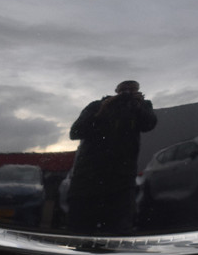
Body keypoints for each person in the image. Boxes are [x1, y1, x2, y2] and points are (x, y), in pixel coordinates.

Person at [67, 80, 157, 233]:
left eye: (132, 89)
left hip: (122, 181)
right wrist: (101, 112)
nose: (127, 93)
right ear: (116, 90)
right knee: (80, 229)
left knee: (118, 231)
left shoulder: (140, 107)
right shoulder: (97, 105)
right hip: (87, 179)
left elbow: (149, 124)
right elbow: (75, 132)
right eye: (123, 89)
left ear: (138, 91)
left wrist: (139, 105)